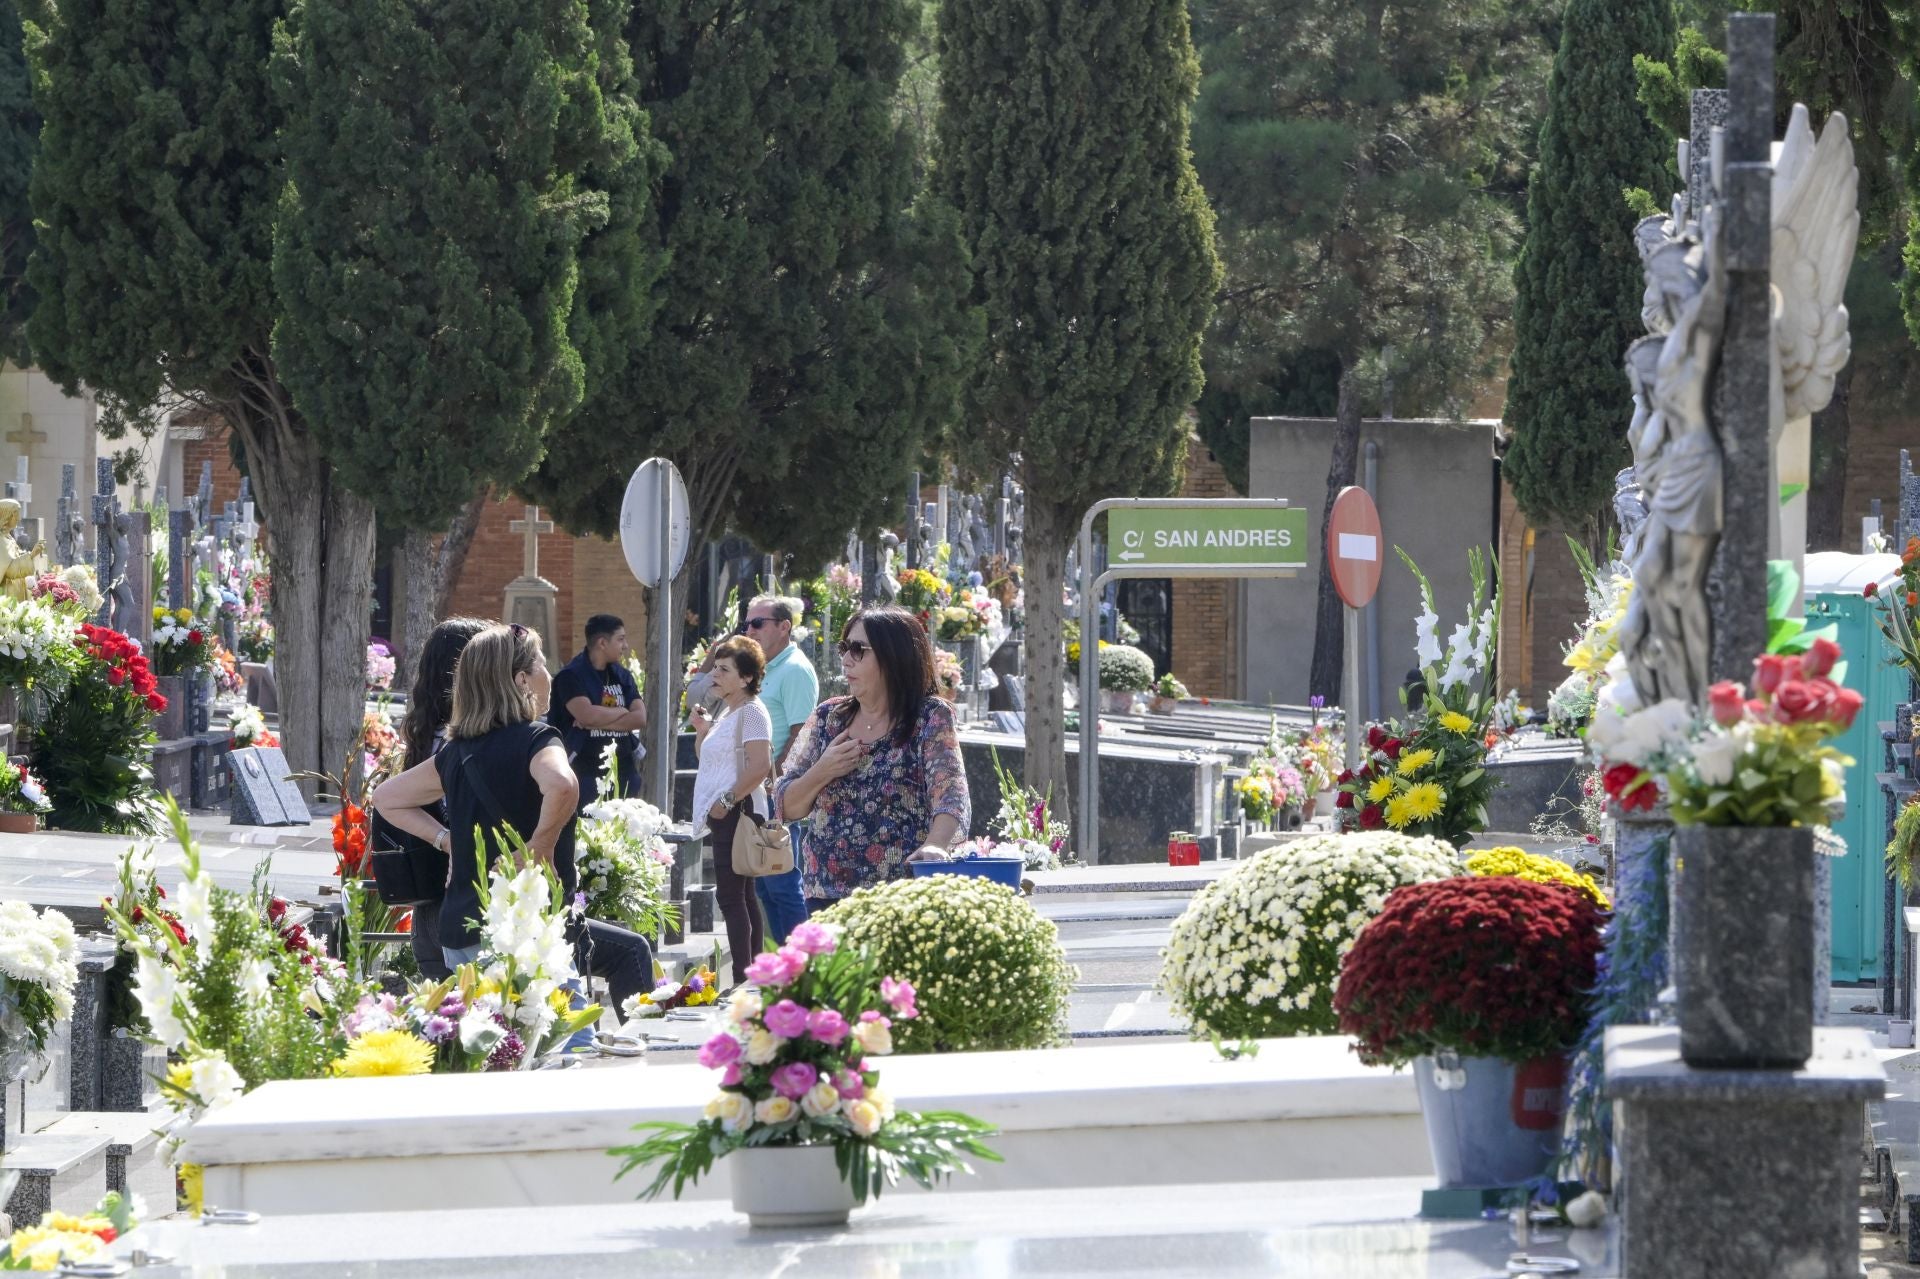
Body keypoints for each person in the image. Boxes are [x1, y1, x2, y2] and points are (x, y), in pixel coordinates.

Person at [371, 623, 655, 1020]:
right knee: (570, 1046)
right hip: (524, 932)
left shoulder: (458, 751)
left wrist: (445, 839)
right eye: (541, 665)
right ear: (521, 679)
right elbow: (561, 783)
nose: (550, 676)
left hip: (462, 932)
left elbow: (386, 799)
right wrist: (541, 845)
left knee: (497, 1052)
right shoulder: (538, 738)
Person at [776, 606, 969, 913]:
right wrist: (823, 770)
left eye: (858, 650)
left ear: (893, 657)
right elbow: (785, 806)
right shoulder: (829, 717)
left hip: (900, 899)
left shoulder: (929, 716)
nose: (846, 659)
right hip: (825, 896)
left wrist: (935, 845)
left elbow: (950, 795)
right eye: (844, 648)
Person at [370, 616, 488, 981]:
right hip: (463, 909)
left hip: (432, 907)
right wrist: (450, 840)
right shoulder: (461, 742)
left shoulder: (428, 733)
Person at [689, 635, 773, 988]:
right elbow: (709, 761)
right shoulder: (730, 710)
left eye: (724, 670)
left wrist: (724, 803)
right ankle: (750, 975)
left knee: (731, 896)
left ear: (747, 678)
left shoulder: (752, 711)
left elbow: (760, 766)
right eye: (716, 668)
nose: (715, 675)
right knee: (742, 896)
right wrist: (703, 731)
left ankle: (742, 979)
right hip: (727, 810)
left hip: (737, 810)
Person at [741, 594, 816, 943]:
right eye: (748, 623)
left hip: (777, 791)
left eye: (759, 623)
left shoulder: (795, 669)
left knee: (783, 883)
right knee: (767, 887)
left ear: (785, 627)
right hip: (758, 789)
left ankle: (803, 964)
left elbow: (803, 735)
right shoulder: (768, 666)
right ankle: (783, 963)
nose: (750, 630)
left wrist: (777, 784)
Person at [547, 614, 647, 805]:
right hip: (584, 774)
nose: (625, 646)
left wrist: (597, 718)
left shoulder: (622, 676)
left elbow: (640, 718)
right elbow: (586, 715)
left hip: (624, 772)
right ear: (602, 643)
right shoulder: (571, 676)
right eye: (620, 639)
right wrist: (621, 712)